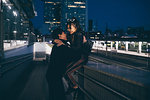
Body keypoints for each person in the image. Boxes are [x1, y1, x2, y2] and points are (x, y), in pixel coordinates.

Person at [46, 28, 72, 100]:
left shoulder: (59, 45)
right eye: (64, 33)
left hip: (52, 75)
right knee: (59, 96)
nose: (65, 34)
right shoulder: (60, 46)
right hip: (55, 76)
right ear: (59, 35)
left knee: (54, 96)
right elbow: (73, 55)